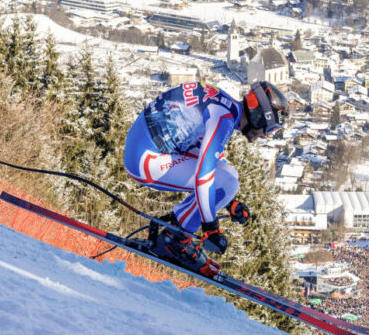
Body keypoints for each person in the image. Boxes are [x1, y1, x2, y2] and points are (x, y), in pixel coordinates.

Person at [123, 80, 289, 276]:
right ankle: (175, 241)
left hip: (146, 149)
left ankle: (176, 234)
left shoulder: (224, 104)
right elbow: (205, 175)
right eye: (270, 129)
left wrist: (229, 202)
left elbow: (207, 155)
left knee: (228, 178)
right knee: (228, 181)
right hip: (145, 160)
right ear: (259, 117)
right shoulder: (224, 118)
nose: (267, 136)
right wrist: (210, 227)